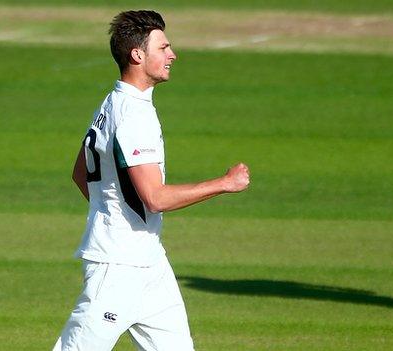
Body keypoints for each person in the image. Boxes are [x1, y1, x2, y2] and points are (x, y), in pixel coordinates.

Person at [53, 10, 250, 351]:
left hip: (149, 263)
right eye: (163, 47)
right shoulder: (134, 115)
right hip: (118, 268)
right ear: (138, 55)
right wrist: (224, 183)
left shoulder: (112, 101)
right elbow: (155, 198)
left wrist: (113, 214)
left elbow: (80, 173)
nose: (172, 55)